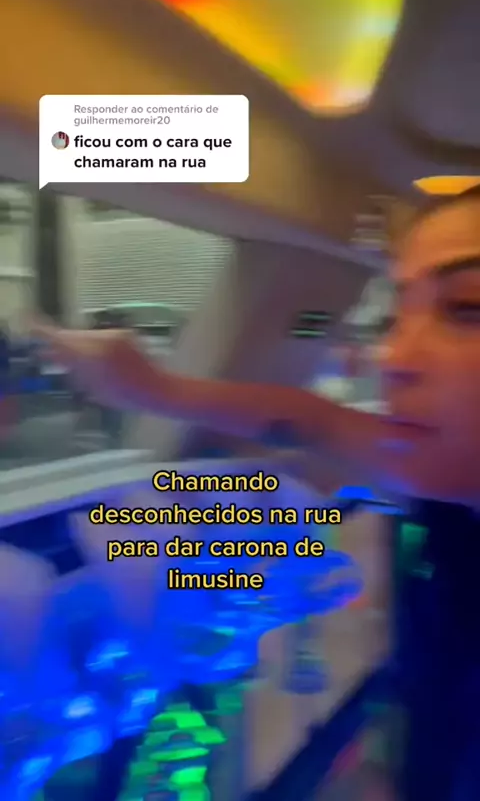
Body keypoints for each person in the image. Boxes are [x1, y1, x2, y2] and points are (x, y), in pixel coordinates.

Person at [31, 185, 480, 799]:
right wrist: (150, 389)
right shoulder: (449, 485)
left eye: (467, 308)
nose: (392, 355)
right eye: (397, 314)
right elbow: (312, 422)